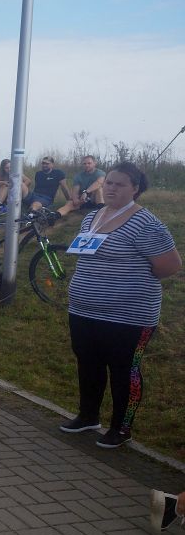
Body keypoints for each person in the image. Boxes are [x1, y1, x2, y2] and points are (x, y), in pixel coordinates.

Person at [60, 162, 181, 448]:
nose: (112, 188)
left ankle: (121, 428)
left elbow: (170, 266)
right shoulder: (92, 216)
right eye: (109, 183)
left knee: (123, 370)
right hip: (83, 311)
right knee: (88, 364)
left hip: (128, 317)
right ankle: (88, 415)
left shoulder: (146, 223)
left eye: (120, 184)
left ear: (135, 189)